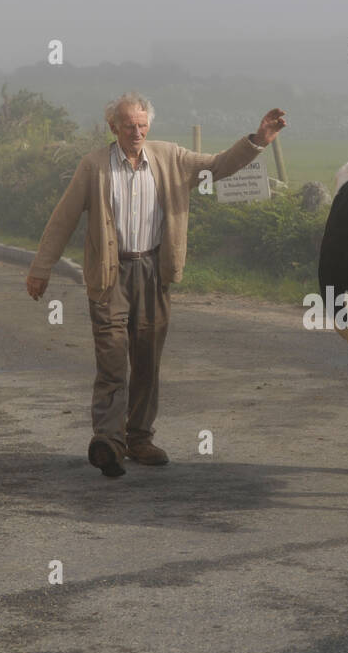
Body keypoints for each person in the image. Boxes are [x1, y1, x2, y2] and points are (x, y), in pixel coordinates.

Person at [25, 93, 286, 477]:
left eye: (142, 125)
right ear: (113, 127)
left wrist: (259, 139)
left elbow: (219, 165)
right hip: (110, 275)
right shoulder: (94, 166)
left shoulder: (171, 158)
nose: (137, 132)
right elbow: (63, 218)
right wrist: (41, 267)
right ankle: (109, 442)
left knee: (147, 360)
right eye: (129, 125)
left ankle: (139, 437)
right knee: (113, 360)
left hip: (153, 271)